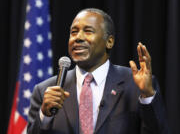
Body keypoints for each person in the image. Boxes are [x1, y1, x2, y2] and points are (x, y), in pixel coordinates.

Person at [27, 8, 169, 134]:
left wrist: (147, 96)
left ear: (109, 42)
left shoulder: (135, 85)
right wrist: (44, 115)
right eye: (74, 32)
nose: (78, 38)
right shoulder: (45, 90)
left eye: (88, 31)